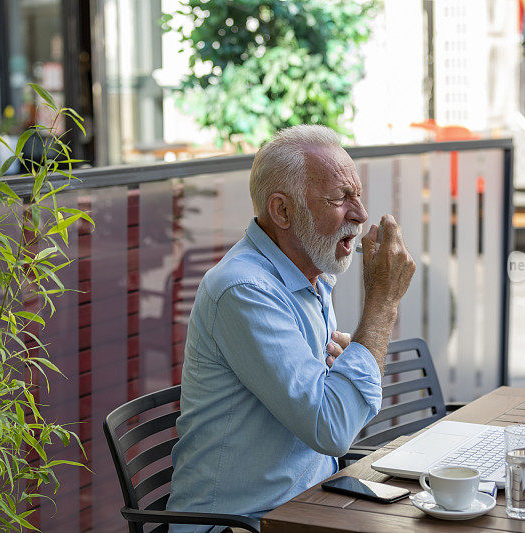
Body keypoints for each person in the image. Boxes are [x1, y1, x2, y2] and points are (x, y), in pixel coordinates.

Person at [167, 125, 415, 530]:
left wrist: (348, 367)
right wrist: (383, 304)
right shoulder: (245, 289)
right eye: (340, 198)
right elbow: (332, 428)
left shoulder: (309, 278)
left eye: (358, 195)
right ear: (282, 211)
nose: (361, 214)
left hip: (310, 507)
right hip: (236, 525)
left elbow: (330, 419)